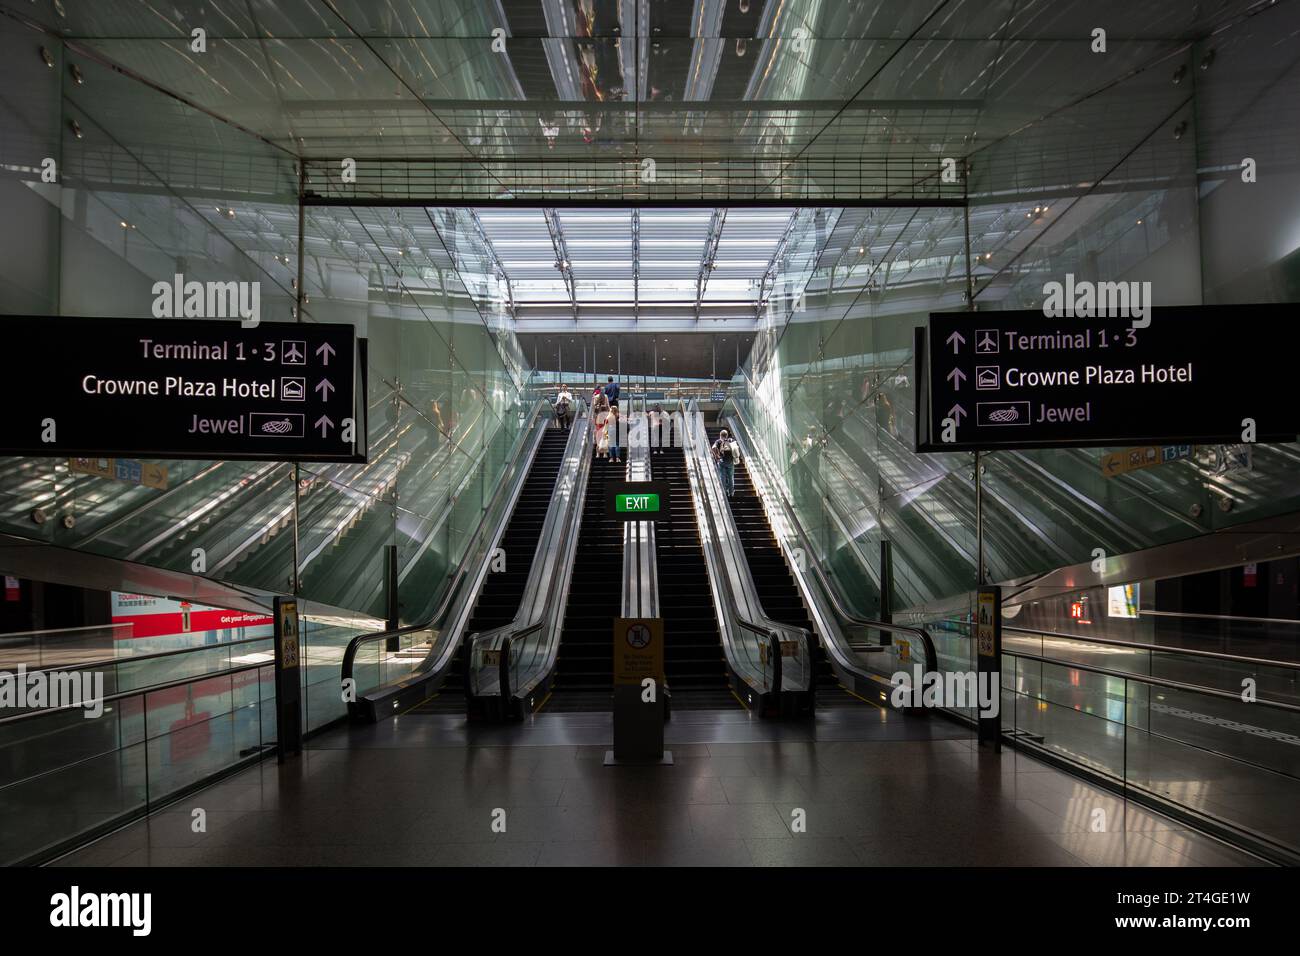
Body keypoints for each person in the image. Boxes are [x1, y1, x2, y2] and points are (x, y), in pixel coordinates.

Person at [711, 429, 739, 497]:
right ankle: (731, 492)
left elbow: (713, 447)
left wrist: (717, 456)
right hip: (730, 462)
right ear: (727, 435)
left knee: (722, 477)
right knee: (730, 477)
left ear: (720, 435)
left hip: (722, 462)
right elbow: (735, 448)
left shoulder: (718, 441)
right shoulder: (731, 440)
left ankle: (723, 493)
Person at [592, 387, 610, 457]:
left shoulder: (596, 397)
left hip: (598, 418)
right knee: (605, 434)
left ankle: (598, 453)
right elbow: (608, 406)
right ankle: (605, 453)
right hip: (605, 417)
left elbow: (594, 408)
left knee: (598, 435)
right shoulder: (606, 396)